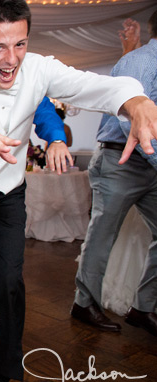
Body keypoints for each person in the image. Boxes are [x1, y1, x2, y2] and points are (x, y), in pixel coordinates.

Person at [0, 0, 156, 382]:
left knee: (10, 283)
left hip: (8, 193)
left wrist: (134, 102)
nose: (10, 58)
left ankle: (2, 377)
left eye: (19, 45)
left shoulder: (41, 69)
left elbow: (97, 86)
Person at [73, 10, 157, 338]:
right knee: (103, 235)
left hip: (149, 165)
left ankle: (143, 308)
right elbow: (130, 120)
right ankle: (84, 303)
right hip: (118, 163)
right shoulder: (142, 61)